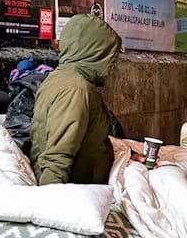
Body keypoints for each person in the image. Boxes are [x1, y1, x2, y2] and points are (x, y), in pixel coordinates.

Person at [30, 13, 121, 185]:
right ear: (94, 53)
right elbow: (57, 159)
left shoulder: (60, 77)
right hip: (81, 192)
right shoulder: (75, 90)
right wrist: (50, 206)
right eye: (109, 57)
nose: (113, 67)